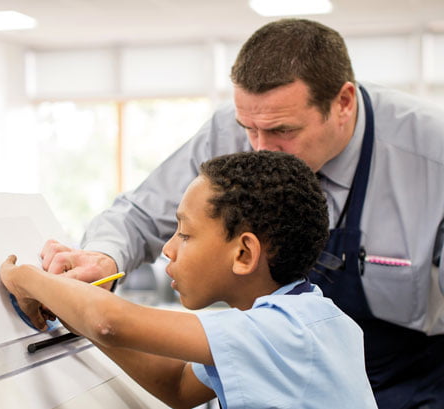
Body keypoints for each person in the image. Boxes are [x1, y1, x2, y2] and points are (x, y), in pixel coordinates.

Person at [36, 19, 444, 408]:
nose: (260, 148)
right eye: (249, 128)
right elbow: (140, 215)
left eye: (283, 131)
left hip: (416, 378)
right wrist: (102, 260)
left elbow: (111, 323)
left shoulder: (432, 151)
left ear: (343, 102)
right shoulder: (268, 327)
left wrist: (23, 276)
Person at [0, 151, 377, 409]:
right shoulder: (315, 316)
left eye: (184, 233)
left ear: (244, 254)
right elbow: (178, 386)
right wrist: (74, 314)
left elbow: (110, 322)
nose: (168, 248)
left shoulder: (276, 332)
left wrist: (24, 277)